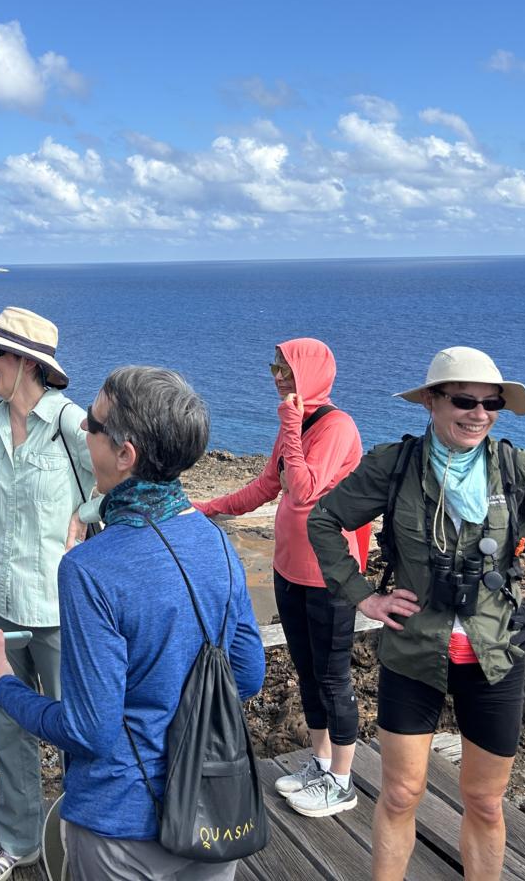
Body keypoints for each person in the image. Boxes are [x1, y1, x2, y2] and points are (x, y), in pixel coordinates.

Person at [308, 347, 525, 881]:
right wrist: (363, 595)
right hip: (413, 649)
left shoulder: (517, 470)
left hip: (495, 654)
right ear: (431, 402)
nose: (479, 414)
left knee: (486, 803)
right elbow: (325, 520)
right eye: (465, 400)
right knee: (399, 793)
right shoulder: (394, 466)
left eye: (493, 404)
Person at [0, 365, 266, 881]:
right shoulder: (217, 543)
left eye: (91, 423)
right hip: (210, 810)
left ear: (125, 453)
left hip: (120, 823)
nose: (81, 431)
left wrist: (5, 687)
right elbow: (247, 676)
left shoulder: (90, 567)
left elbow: (90, 731)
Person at [0, 307, 101, 881]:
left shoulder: (71, 422)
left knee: (75, 730)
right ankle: (19, 844)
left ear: (28, 363)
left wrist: (85, 515)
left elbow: (118, 480)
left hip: (60, 606)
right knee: (8, 730)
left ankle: (83, 839)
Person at [194, 338, 365, 818]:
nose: (277, 376)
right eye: (275, 366)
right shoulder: (300, 423)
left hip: (329, 575)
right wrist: (204, 509)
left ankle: (343, 782)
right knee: (308, 673)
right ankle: (321, 763)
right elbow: (268, 485)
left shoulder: (336, 427)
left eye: (286, 369)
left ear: (311, 375)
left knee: (334, 678)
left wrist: (291, 421)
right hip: (289, 568)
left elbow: (306, 488)